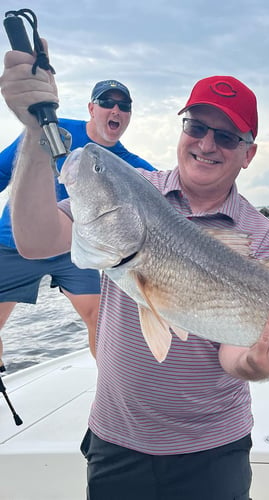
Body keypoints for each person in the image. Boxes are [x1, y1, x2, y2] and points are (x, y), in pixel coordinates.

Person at [1, 43, 269, 500]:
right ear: (182, 130)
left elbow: (232, 353)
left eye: (226, 137)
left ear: (248, 154)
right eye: (198, 127)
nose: (207, 144)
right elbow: (34, 239)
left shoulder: (259, 236)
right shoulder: (134, 187)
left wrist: (260, 361)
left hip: (214, 449)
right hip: (116, 440)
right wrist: (33, 131)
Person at [0, 79, 155, 361]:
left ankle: (109, 386)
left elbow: (168, 192)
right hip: (14, 242)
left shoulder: (128, 165)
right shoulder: (52, 131)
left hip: (76, 249)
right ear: (91, 108)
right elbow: (1, 171)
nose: (116, 110)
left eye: (124, 105)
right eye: (107, 102)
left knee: (99, 316)